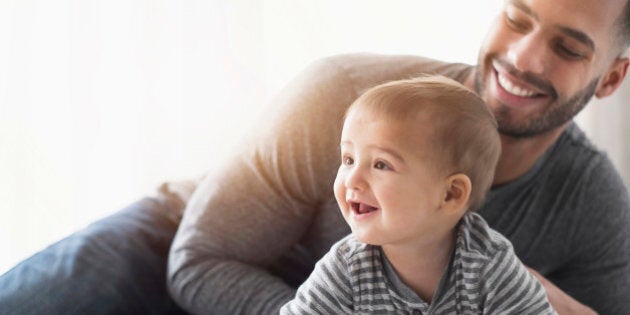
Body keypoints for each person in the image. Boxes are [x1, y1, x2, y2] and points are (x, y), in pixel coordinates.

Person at [1, 0, 628, 314]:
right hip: (180, 245)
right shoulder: (345, 94)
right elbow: (198, 260)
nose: (523, 58)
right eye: (518, 18)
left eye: (569, 48)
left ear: (610, 78)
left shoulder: (590, 206)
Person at [280, 76, 555, 314]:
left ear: (450, 194)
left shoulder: (489, 267)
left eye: (381, 165)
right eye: (349, 159)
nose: (352, 178)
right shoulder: (347, 268)